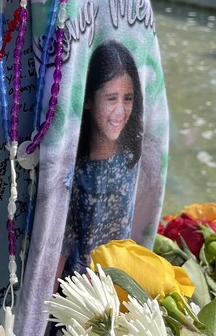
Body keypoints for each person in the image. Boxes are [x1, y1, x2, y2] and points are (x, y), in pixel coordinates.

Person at [58, 40, 144, 278]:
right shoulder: (74, 169)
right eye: (111, 98)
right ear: (88, 100)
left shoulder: (132, 159)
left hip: (120, 286)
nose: (120, 111)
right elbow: (62, 247)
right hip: (78, 295)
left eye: (128, 98)